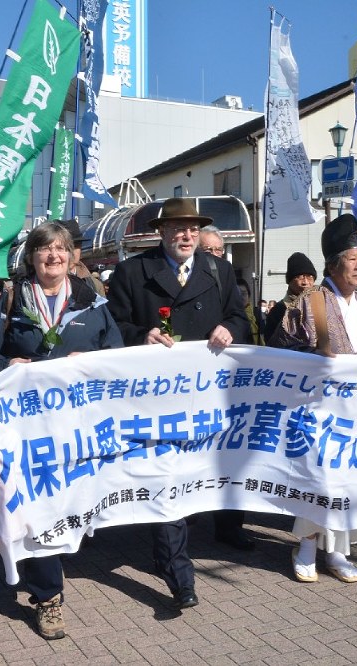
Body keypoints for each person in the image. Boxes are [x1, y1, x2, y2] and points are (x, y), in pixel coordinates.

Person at [0, 222, 121, 640]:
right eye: (44, 249)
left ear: (72, 256)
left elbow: (117, 356)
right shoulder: (11, 300)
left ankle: (63, 548)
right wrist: (6, 364)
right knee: (38, 503)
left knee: (72, 499)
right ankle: (47, 595)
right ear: (32, 257)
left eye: (61, 248)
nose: (53, 256)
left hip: (79, 424)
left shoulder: (93, 302)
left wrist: (90, 363)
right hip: (28, 425)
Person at [107, 197, 251, 610]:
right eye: (177, 229)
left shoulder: (219, 270)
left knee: (202, 472)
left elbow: (241, 319)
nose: (186, 236)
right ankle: (178, 575)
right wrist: (142, 335)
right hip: (156, 399)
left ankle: (203, 536)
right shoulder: (132, 272)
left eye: (192, 229)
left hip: (207, 397)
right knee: (167, 477)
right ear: (161, 232)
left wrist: (229, 328)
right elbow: (113, 326)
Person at [274, 213, 357, 584]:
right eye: (352, 259)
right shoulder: (311, 301)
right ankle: (306, 547)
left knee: (350, 482)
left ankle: (338, 551)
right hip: (318, 410)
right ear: (332, 265)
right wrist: (314, 358)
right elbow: (282, 351)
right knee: (319, 480)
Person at [264, 252, 317, 343]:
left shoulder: (320, 305)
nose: (305, 282)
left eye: (309, 277)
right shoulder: (279, 310)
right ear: (290, 281)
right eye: (300, 277)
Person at [61, 218, 105, 295]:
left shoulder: (95, 285)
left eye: (75, 246)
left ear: (81, 247)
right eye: (65, 247)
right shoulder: (41, 282)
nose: (70, 252)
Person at [236, 278, 265, 345]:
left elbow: (264, 334)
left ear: (249, 295)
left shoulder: (256, 313)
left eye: (243, 293)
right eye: (237, 294)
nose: (241, 297)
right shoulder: (228, 315)